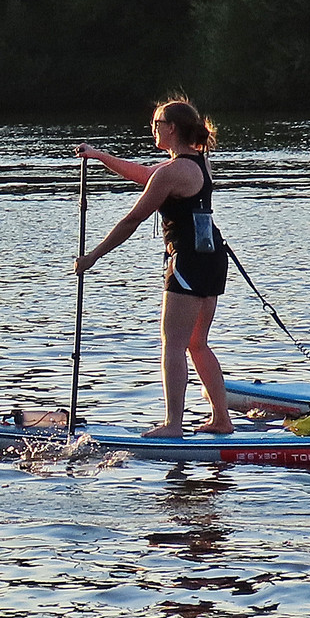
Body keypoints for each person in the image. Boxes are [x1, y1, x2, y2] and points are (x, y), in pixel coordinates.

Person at [74, 98, 233, 438]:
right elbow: (147, 175)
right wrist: (101, 157)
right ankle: (222, 419)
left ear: (171, 128)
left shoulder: (173, 172)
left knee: (173, 344)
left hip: (187, 262)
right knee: (197, 343)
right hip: (211, 258)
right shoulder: (198, 163)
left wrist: (93, 257)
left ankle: (173, 424)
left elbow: (133, 219)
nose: (153, 128)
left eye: (157, 123)